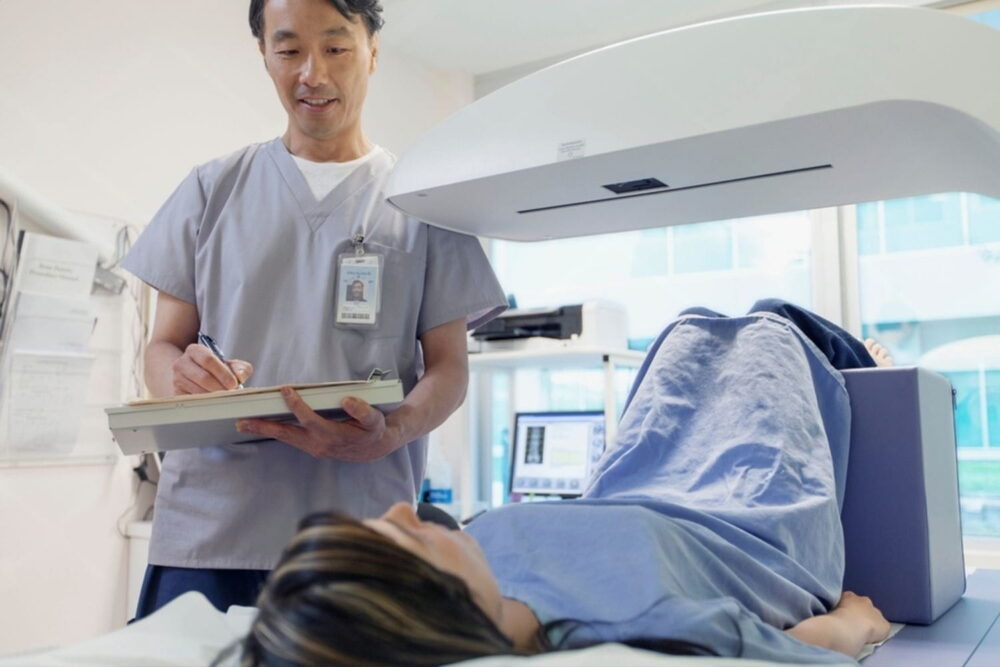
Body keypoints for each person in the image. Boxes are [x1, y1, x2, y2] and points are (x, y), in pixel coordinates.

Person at [239, 300, 893, 666]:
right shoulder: (626, 633)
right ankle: (863, 361)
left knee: (687, 332)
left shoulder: (475, 566)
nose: (401, 510)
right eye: (403, 539)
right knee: (769, 329)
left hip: (627, 489)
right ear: (437, 618)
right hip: (731, 519)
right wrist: (852, 624)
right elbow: (797, 650)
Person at [121, 0, 507, 618]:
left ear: (373, 51)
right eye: (289, 49)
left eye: (335, 47)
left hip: (362, 536)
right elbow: (162, 347)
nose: (313, 74)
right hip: (211, 532)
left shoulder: (422, 199)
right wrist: (180, 377)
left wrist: (397, 430)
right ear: (264, 56)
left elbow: (449, 369)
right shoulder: (211, 189)